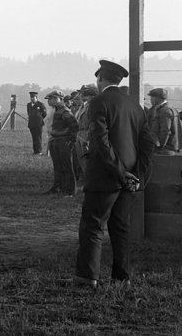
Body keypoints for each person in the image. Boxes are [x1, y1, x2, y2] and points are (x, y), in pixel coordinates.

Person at [74, 60, 153, 288]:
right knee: (120, 228)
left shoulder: (99, 101)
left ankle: (87, 277)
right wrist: (136, 175)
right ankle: (122, 277)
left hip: (105, 176)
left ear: (100, 79)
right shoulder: (135, 105)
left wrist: (119, 172)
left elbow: (101, 141)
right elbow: (148, 143)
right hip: (129, 178)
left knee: (93, 225)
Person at [44, 90, 79, 196]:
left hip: (63, 141)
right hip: (56, 141)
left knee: (66, 166)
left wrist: (70, 140)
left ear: (58, 99)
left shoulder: (64, 111)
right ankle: (58, 187)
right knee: (58, 166)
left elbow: (75, 126)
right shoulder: (56, 111)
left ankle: (70, 191)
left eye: (52, 99)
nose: (50, 101)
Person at [73, 85, 98, 197]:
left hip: (86, 136)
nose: (84, 97)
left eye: (87, 95)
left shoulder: (92, 107)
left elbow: (92, 124)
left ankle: (91, 186)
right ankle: (87, 185)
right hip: (80, 134)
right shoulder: (83, 106)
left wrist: (87, 138)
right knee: (81, 161)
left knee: (87, 162)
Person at [146, 88, 178, 155]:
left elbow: (165, 131)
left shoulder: (164, 111)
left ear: (158, 98)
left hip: (165, 149)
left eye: (152, 97)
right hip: (167, 148)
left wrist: (160, 146)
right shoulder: (169, 109)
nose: (151, 99)